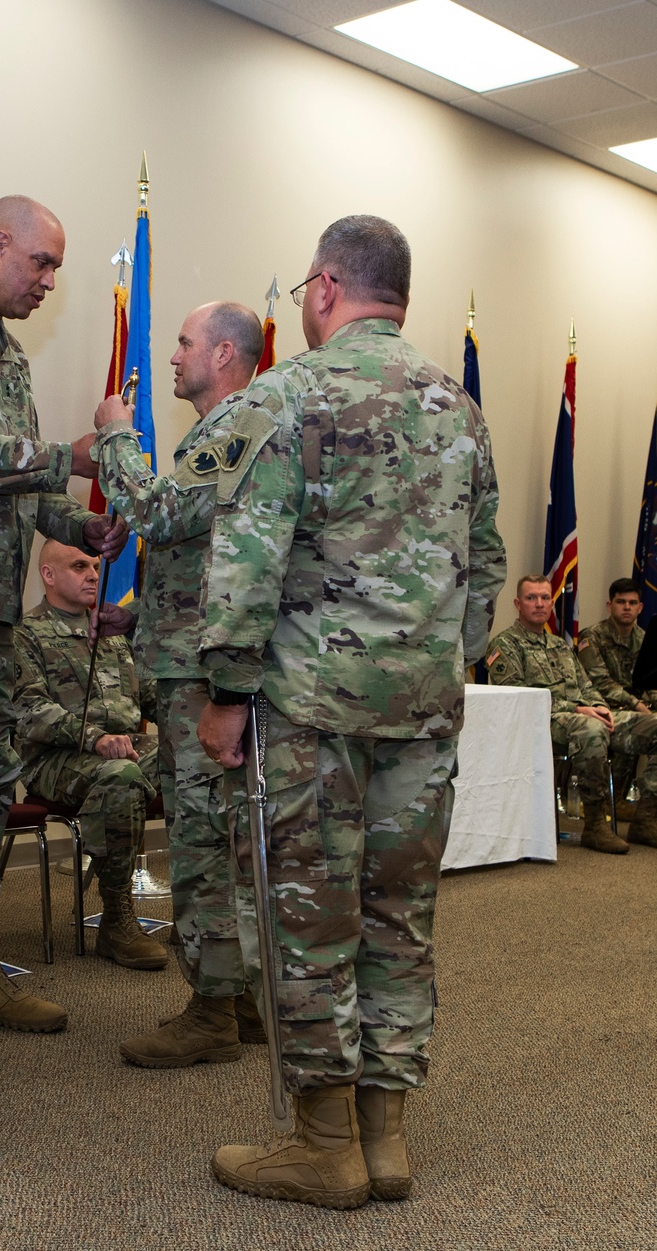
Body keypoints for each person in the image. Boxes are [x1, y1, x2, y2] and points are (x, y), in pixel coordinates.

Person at [194, 216, 507, 1209]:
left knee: (307, 918)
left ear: (325, 289)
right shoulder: (457, 407)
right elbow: (487, 563)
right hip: (421, 710)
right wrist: (432, 664)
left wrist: (227, 690)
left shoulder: (287, 394)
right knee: (398, 917)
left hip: (310, 711)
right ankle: (386, 1140)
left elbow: (244, 555)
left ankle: (322, 1143)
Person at [0, 197, 126, 1034]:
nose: (50, 282)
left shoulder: (8, 356)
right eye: (41, 263)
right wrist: (66, 455)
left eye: (56, 269)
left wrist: (81, 522)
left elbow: (19, 488)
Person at [92, 301, 265, 1064]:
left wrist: (113, 436)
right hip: (199, 654)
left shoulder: (231, 427)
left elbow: (159, 515)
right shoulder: (232, 428)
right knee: (227, 839)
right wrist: (145, 620)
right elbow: (207, 554)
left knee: (201, 842)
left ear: (224, 352)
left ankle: (212, 1011)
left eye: (185, 344)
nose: (172, 356)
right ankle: (247, 996)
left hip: (203, 678)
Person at [12, 541, 167, 969]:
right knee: (120, 776)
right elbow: (29, 711)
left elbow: (151, 696)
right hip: (55, 760)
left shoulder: (112, 634)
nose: (94, 576)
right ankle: (117, 919)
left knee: (199, 766)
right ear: (48, 575)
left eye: (96, 566)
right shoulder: (25, 635)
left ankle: (208, 913)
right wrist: (95, 737)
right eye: (79, 566)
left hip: (125, 748)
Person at [487, 574, 657, 853]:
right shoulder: (505, 645)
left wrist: (599, 707)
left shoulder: (560, 646)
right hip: (542, 724)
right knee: (590, 730)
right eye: (531, 598)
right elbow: (519, 699)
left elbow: (587, 686)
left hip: (584, 716)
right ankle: (595, 825)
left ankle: (647, 818)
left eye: (545, 598)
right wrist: (578, 709)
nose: (539, 604)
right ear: (518, 603)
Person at [577, 578, 657, 713]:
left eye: (633, 603)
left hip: (640, 708)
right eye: (620, 602)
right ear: (609, 606)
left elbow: (651, 681)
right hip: (606, 708)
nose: (627, 607)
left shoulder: (644, 637)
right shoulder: (592, 636)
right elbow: (599, 682)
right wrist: (635, 704)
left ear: (640, 608)